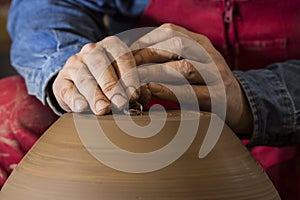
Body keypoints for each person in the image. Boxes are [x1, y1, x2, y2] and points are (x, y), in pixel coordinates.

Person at [2, 0, 300, 198]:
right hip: (138, 121)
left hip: (284, 129)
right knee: (10, 109)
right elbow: (49, 5)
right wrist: (75, 70)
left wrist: (254, 98)